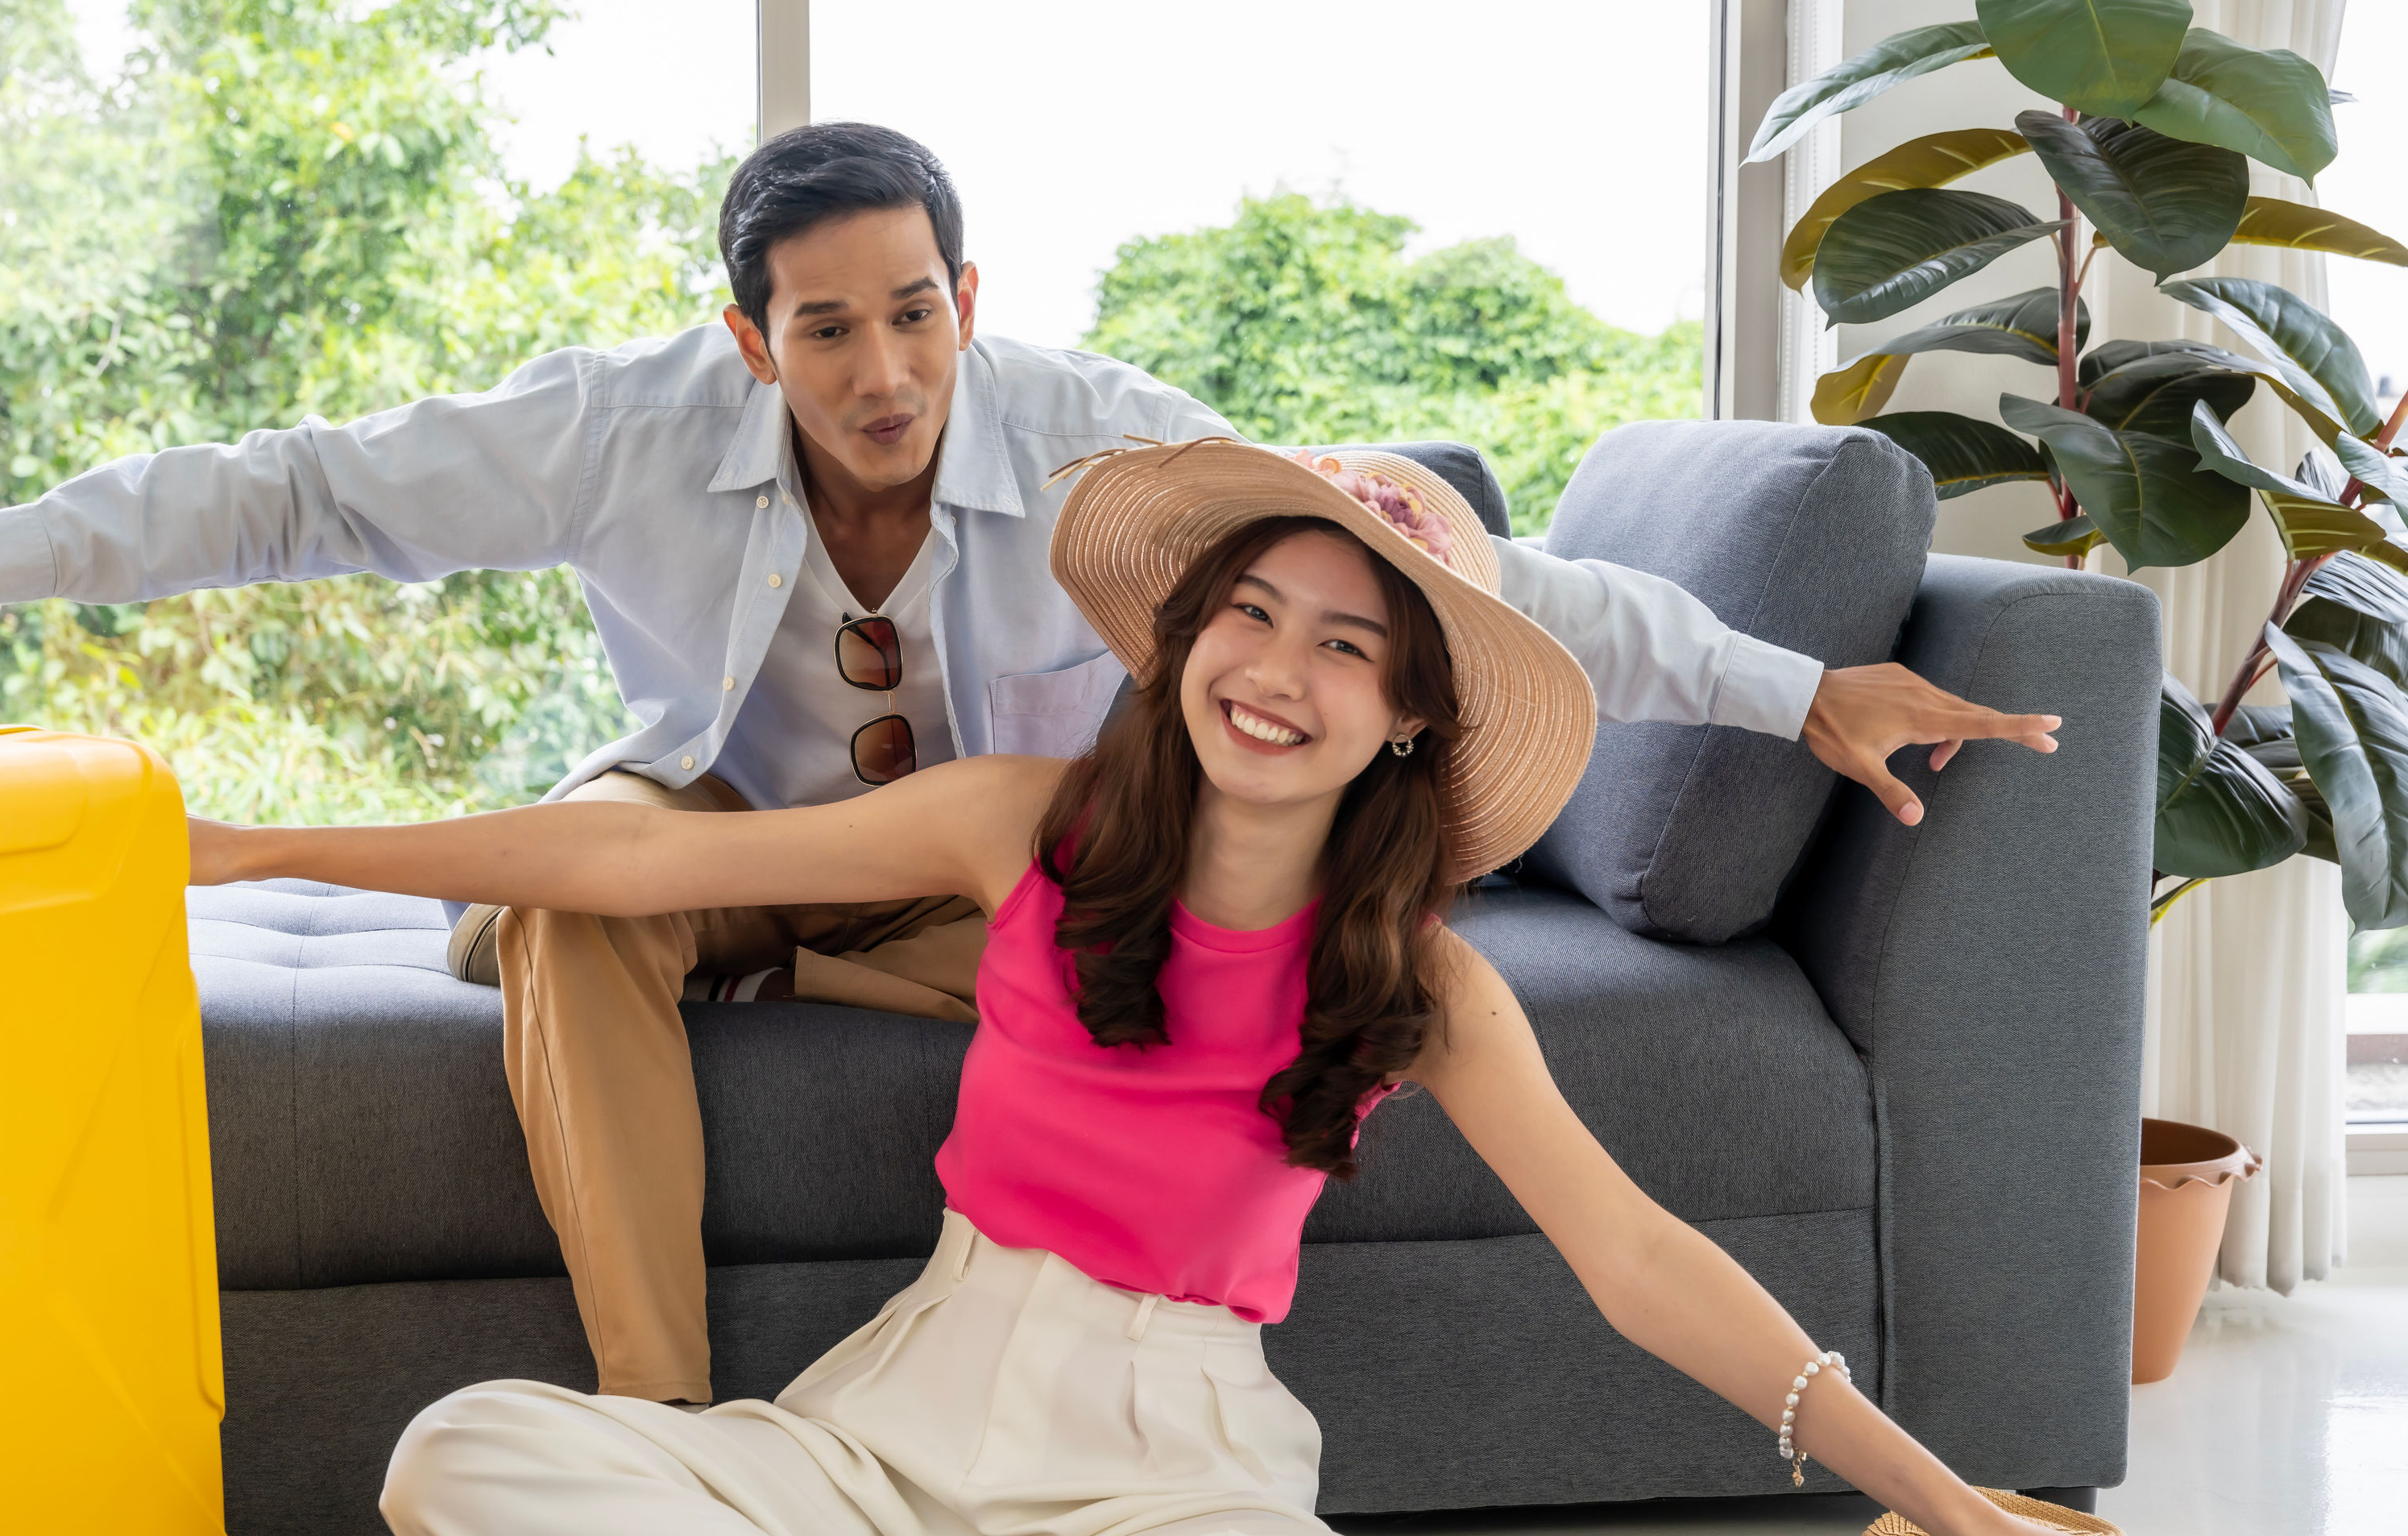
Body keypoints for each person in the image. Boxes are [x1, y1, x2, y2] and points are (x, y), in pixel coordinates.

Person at [0, 122, 2058, 1408]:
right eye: (826, 327)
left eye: (918, 311)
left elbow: (1494, 589)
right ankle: (664, 1422)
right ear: (749, 337)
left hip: (1005, 872)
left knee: (1160, 969)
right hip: (730, 832)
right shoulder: (625, 425)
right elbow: (310, 484)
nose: (881, 368)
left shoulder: (1094, 438)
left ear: (972, 290)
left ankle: (798, 984)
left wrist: (1795, 687)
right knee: (571, 894)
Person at [187, 443, 2079, 1536]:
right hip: (874, 1447)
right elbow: (640, 863)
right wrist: (270, 852)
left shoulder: (1420, 987)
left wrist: (1939, 1495)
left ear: (1409, 717)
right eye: (1249, 613)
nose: (1278, 668)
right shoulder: (1027, 831)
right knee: (464, 1455)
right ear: (1183, 638)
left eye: (1348, 645)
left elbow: (1644, 1260)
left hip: (1172, 1483)